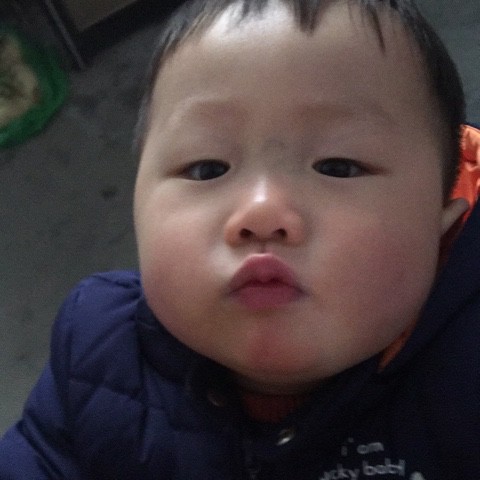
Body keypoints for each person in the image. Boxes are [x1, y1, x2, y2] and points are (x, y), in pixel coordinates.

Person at [1, 0, 479, 478]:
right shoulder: (95, 352)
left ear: (443, 219)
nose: (262, 211)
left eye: (338, 166)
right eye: (207, 168)